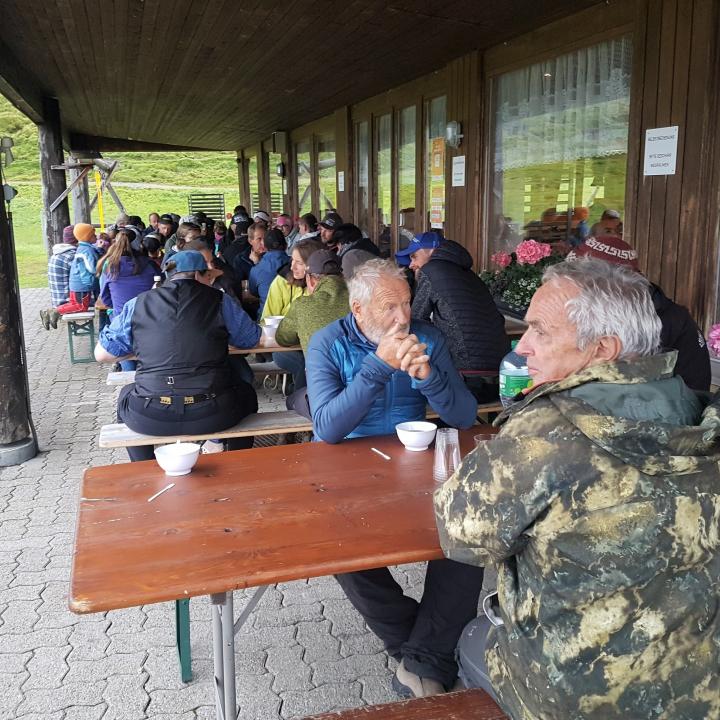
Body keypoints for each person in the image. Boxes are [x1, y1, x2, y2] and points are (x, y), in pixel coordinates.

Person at [435, 257, 720, 720]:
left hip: (582, 698)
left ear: (603, 348)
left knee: (470, 639)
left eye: (540, 332)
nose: (522, 345)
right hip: (701, 691)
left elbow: (461, 536)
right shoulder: (700, 412)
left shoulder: (544, 434)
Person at [306, 259, 483, 698]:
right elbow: (327, 427)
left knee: (469, 534)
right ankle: (424, 652)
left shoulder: (428, 337)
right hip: (346, 468)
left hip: (416, 463)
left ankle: (421, 657)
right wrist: (379, 366)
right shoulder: (328, 343)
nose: (403, 317)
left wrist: (428, 378)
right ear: (358, 309)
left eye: (407, 303)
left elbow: (463, 416)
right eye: (390, 307)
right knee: (341, 548)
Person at [94, 251, 260, 462]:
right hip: (213, 412)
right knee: (246, 391)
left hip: (150, 414)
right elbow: (251, 339)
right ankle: (238, 464)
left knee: (125, 394)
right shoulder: (219, 300)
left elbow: (101, 354)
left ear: (168, 275)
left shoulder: (139, 303)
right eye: (208, 276)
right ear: (199, 275)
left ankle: (143, 468)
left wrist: (141, 346)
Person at [569, 234, 711, 391]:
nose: (569, 282)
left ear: (612, 281)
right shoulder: (603, 307)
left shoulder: (661, 322)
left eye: (578, 276)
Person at [397, 232, 510, 402]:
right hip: (501, 379)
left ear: (432, 250)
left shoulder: (431, 270)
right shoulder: (469, 275)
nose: (412, 265)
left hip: (466, 383)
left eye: (414, 256)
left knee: (406, 389)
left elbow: (415, 320)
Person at [276, 248, 349, 416]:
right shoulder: (360, 300)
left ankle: (305, 436)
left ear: (311, 280)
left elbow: (283, 338)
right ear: (342, 277)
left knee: (292, 400)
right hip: (361, 389)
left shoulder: (303, 305)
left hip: (324, 396)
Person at [97, 228, 157, 370]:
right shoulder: (150, 265)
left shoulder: (109, 266)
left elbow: (105, 299)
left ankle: (128, 376)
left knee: (123, 346)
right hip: (150, 319)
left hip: (122, 322)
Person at [56, 223, 101, 315]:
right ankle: (55, 312)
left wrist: (99, 249)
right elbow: (91, 268)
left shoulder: (83, 248)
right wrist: (101, 268)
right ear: (87, 237)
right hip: (82, 285)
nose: (96, 236)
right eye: (93, 234)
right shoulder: (87, 250)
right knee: (81, 306)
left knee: (75, 304)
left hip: (77, 283)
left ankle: (54, 311)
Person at [40, 225, 77, 329]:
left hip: (56, 299)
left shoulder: (57, 253)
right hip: (67, 301)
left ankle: (49, 312)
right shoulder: (71, 256)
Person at [249, 228, 288, 317]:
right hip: (291, 318)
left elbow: (254, 292)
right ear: (286, 245)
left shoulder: (256, 269)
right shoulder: (296, 265)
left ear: (265, 247)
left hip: (267, 320)